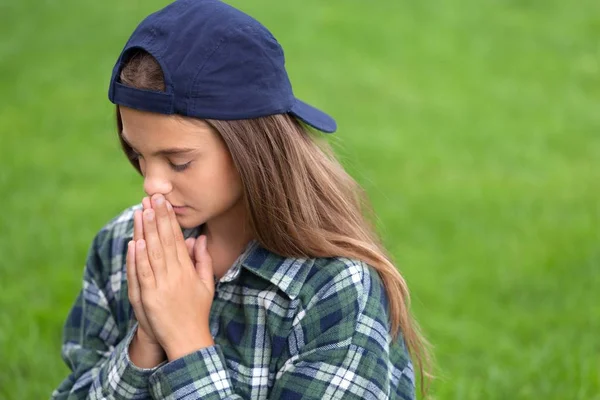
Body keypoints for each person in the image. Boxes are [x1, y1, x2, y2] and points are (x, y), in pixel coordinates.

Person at [52, 0, 430, 398]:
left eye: (178, 161)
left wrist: (185, 341)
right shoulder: (122, 248)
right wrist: (145, 341)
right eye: (139, 155)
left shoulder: (334, 289)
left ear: (252, 147)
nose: (152, 185)